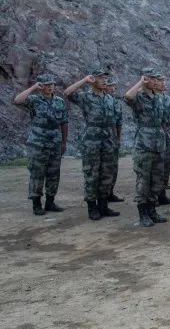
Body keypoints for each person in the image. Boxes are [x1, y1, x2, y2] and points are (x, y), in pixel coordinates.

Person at [64, 69, 120, 220]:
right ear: (93, 80)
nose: (104, 80)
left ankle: (103, 206)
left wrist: (115, 140)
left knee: (106, 174)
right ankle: (92, 208)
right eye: (100, 78)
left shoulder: (109, 99)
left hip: (108, 141)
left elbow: (113, 122)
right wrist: (84, 80)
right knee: (92, 175)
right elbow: (67, 93)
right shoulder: (86, 97)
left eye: (105, 78)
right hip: (92, 141)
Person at [13, 73, 68, 216]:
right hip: (38, 143)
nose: (50, 87)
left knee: (54, 174)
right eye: (47, 84)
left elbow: (64, 122)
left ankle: (50, 202)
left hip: (55, 142)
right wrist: (33, 88)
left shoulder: (59, 101)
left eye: (52, 84)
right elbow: (17, 101)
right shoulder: (34, 100)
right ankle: (36, 204)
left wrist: (64, 142)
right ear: (41, 86)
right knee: (37, 174)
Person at [124, 69, 169, 227]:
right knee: (143, 180)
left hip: (158, 143)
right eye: (152, 78)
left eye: (157, 79)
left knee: (157, 180)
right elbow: (128, 97)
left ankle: (152, 210)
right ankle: (143, 213)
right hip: (144, 144)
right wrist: (140, 83)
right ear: (144, 79)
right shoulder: (138, 97)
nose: (156, 81)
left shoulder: (159, 98)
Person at [155, 75, 170, 206]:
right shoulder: (151, 98)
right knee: (155, 167)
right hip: (154, 135)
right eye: (160, 81)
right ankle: (153, 196)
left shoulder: (168, 99)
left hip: (166, 135)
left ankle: (162, 195)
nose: (163, 83)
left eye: (164, 81)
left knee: (166, 165)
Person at [104, 77, 125, 203]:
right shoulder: (100, 101)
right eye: (110, 86)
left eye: (114, 86)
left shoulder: (116, 102)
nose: (113, 89)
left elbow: (119, 123)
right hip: (102, 138)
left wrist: (118, 139)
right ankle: (102, 194)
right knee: (103, 168)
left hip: (113, 138)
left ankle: (110, 192)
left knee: (113, 167)